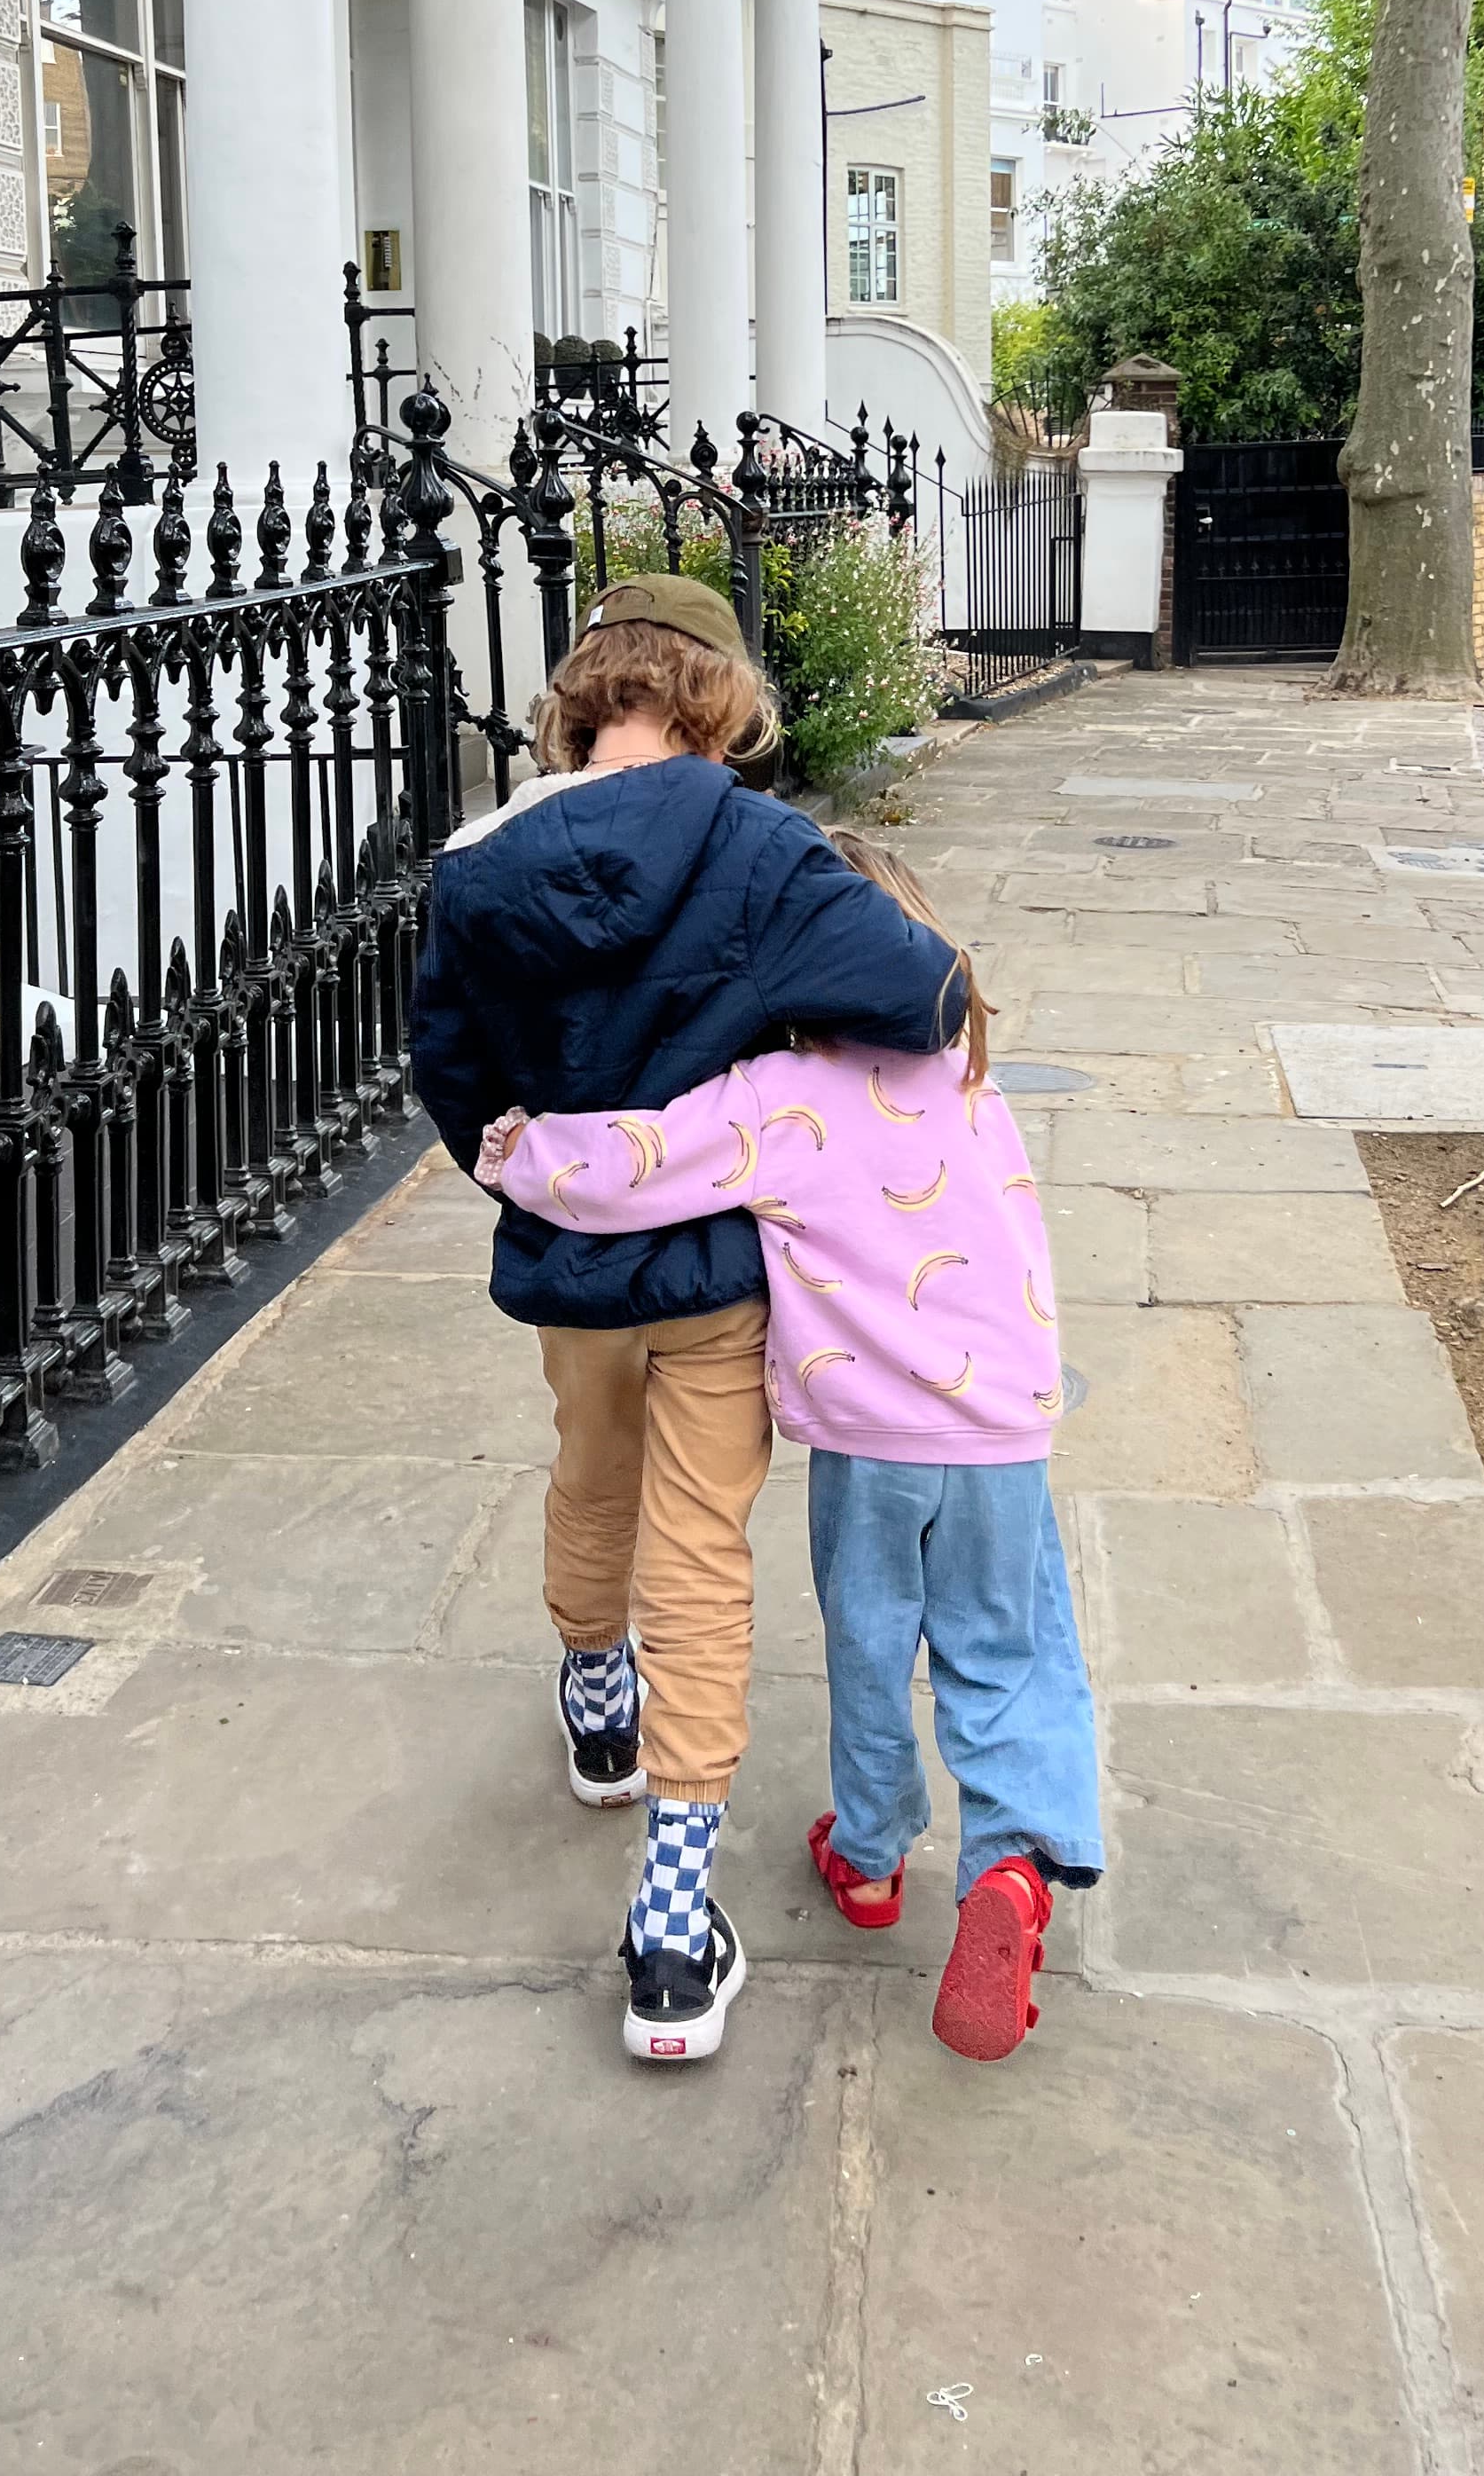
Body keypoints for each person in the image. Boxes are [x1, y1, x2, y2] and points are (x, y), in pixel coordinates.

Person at [410, 577, 969, 2066]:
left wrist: (537, 1175)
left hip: (572, 1268)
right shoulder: (763, 849)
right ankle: (671, 1912)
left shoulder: (478, 864)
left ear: (586, 697)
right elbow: (927, 997)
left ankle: (599, 1700)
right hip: (717, 1271)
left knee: (589, 1472)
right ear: (717, 697)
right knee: (702, 1549)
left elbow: (450, 1072)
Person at [482, 828, 1102, 2064]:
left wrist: (518, 1154)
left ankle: (868, 1860)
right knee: (1007, 1654)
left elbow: (636, 1168)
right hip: (1003, 1430)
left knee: (870, 1642)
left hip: (869, 1439)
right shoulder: (970, 1078)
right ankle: (1013, 1868)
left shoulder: (783, 1095)